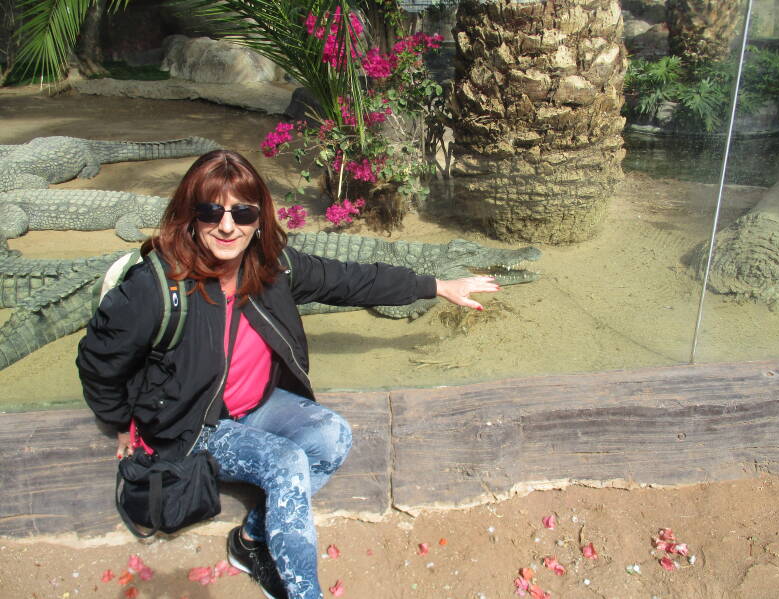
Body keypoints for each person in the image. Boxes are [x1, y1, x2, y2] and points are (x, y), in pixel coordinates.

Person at [77, 150, 499, 599]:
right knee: (286, 462)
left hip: (255, 404)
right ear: (189, 216)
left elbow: (350, 279)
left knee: (333, 436)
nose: (227, 226)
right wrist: (119, 421)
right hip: (192, 423)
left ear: (259, 218)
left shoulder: (273, 266)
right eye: (211, 211)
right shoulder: (154, 288)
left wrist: (436, 286)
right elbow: (98, 360)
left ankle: (249, 541)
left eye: (242, 213)